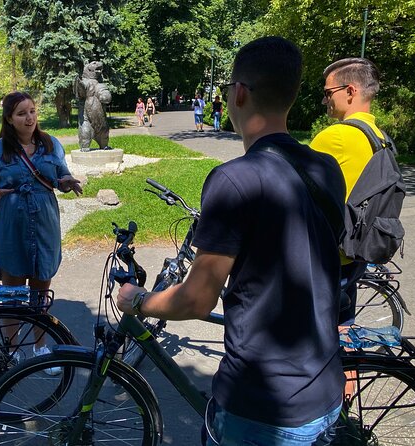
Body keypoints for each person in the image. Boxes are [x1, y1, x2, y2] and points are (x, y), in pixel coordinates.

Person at [117, 37, 346, 445]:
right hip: (325, 389)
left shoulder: (233, 180)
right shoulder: (326, 168)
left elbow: (196, 300)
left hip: (263, 408)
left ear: (238, 93)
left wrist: (136, 300)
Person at [0, 92, 81, 372]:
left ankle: (39, 346)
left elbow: (60, 178)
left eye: (33, 111)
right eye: (22, 113)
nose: (30, 118)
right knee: (12, 290)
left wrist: (67, 183)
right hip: (11, 225)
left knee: (40, 286)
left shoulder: (51, 144)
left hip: (45, 222)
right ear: (9, 119)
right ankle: (11, 349)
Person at [310, 57, 383, 325]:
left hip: (324, 259)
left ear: (350, 91)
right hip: (357, 252)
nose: (325, 100)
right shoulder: (379, 138)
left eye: (329, 93)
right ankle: (350, 367)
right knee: (343, 330)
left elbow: (291, 190)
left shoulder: (335, 137)